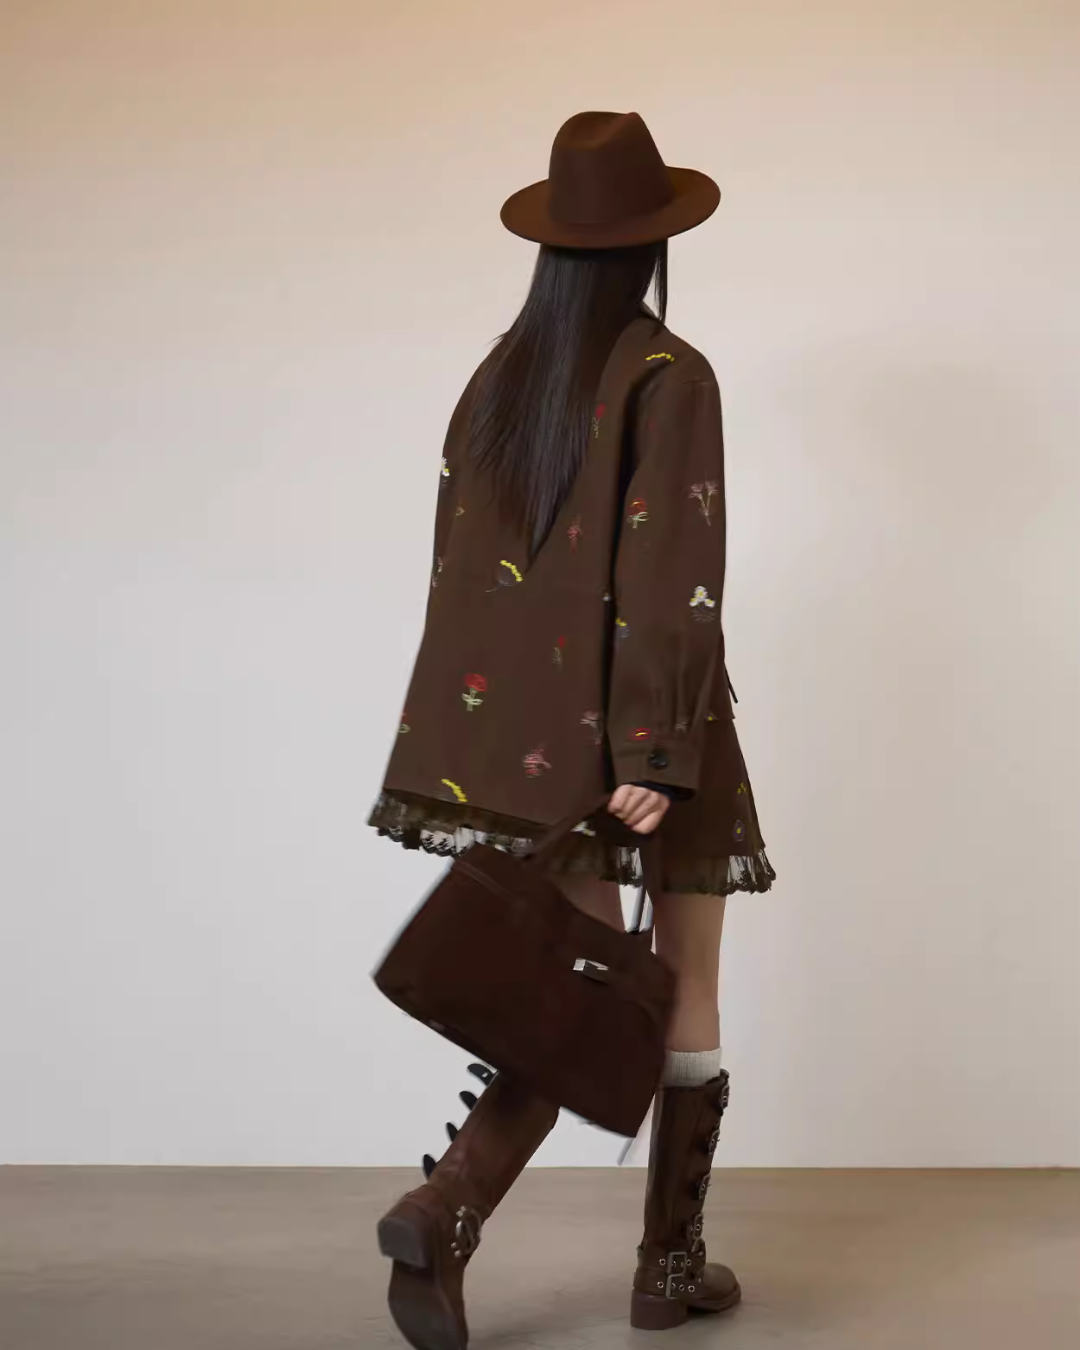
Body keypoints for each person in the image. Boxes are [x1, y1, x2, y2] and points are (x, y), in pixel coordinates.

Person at [368, 110, 775, 1348]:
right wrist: (656, 748)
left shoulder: (499, 378)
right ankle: (668, 1269)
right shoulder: (669, 372)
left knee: (581, 988)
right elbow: (671, 572)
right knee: (681, 985)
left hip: (520, 736)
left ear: (552, 246)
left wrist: (488, 743)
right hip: (646, 729)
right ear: (654, 243)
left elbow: (461, 576)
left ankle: (445, 1208)